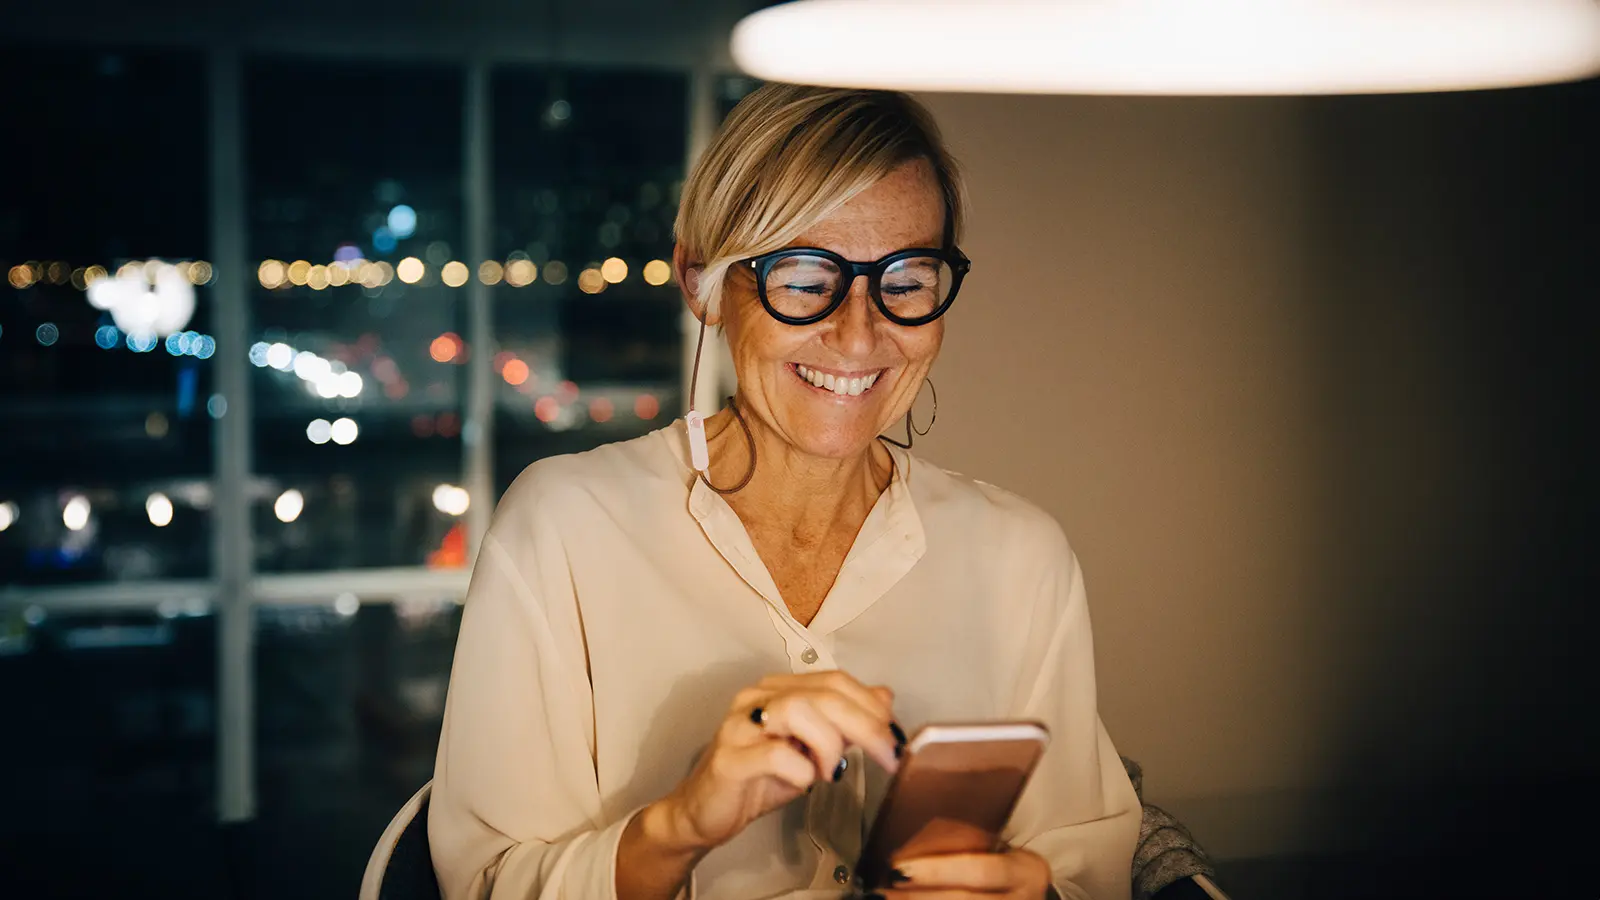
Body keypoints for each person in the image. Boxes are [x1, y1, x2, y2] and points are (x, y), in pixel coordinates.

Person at [428, 83, 1140, 900]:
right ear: (701, 283)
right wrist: (678, 827)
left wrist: (1032, 890)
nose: (859, 332)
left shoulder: (1021, 557)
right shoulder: (561, 530)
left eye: (906, 278)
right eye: (805, 277)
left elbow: (1089, 866)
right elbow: (487, 884)